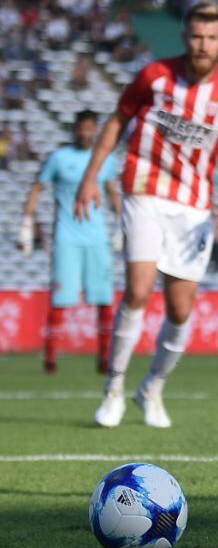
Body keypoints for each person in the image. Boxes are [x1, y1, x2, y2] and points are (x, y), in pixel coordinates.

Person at [75, 0, 218, 428]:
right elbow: (115, 123)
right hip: (143, 189)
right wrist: (92, 175)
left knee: (180, 310)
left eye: (211, 38)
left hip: (193, 206)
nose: (203, 45)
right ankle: (114, 389)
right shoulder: (153, 76)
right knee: (140, 291)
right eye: (196, 36)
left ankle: (152, 388)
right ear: (185, 38)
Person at [20, 110, 121, 374]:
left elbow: (112, 192)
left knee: (103, 299)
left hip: (98, 239)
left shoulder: (105, 160)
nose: (85, 133)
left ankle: (104, 356)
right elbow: (37, 189)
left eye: (90, 128)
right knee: (61, 299)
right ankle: (51, 357)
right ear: (74, 129)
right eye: (81, 128)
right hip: (67, 238)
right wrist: (27, 223)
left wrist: (123, 224)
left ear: (96, 130)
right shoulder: (59, 159)